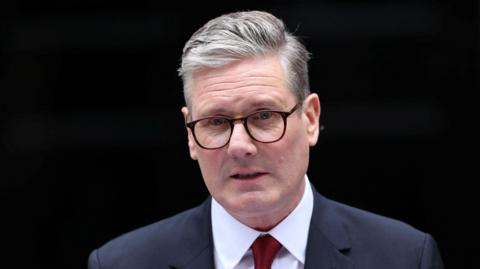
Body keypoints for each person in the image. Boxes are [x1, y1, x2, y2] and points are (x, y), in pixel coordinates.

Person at [88, 10, 444, 269]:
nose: (240, 145)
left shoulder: (403, 257)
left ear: (310, 119)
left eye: (263, 116)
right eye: (216, 121)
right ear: (190, 136)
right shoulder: (122, 263)